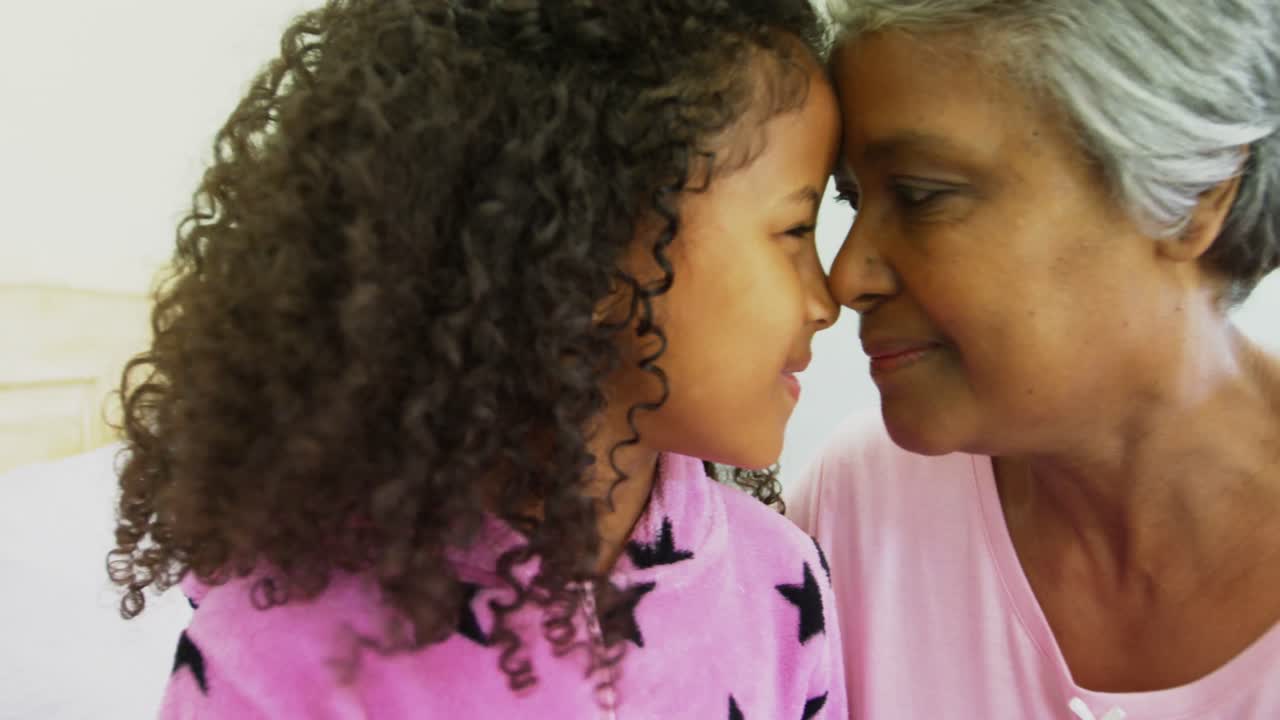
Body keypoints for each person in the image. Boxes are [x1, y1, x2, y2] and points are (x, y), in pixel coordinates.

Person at [106, 1, 848, 717]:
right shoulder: (285, 653)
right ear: (590, 250)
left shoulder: (784, 585)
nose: (829, 297)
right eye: (795, 230)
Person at [787, 1, 1280, 718]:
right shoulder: (854, 514)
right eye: (852, 199)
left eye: (922, 195)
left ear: (1195, 194)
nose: (845, 276)